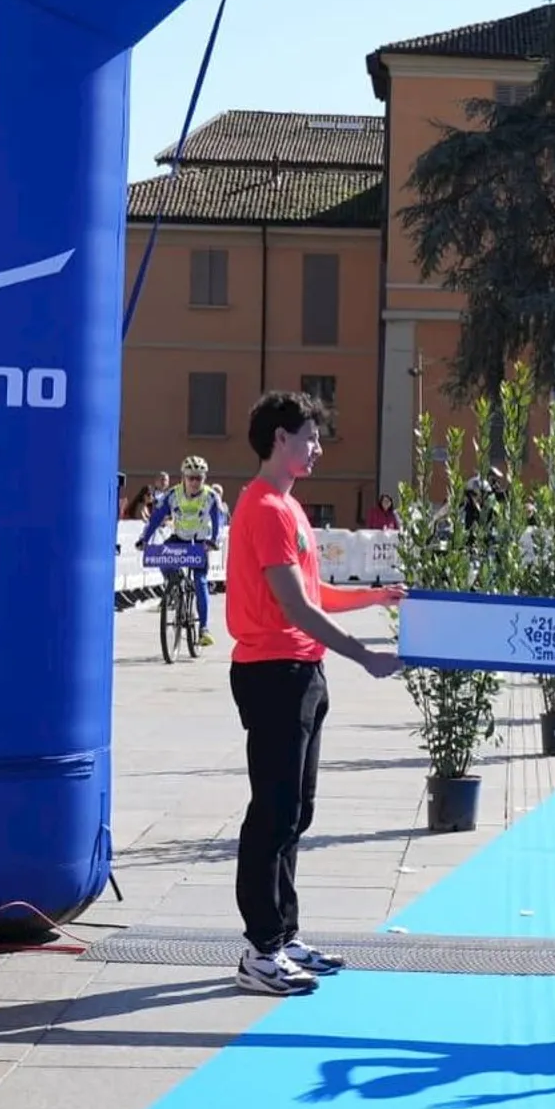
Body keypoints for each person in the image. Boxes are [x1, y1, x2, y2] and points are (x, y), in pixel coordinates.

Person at [226, 391, 406, 995]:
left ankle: (284, 935)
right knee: (272, 813)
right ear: (279, 438)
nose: (318, 447)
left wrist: (376, 597)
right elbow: (295, 606)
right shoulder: (266, 508)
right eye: (309, 435)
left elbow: (317, 590)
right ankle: (259, 950)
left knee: (296, 813)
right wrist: (364, 655)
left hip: (301, 673)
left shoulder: (290, 508)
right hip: (273, 672)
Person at [138, 456, 225, 647]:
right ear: (183, 477)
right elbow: (156, 518)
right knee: (163, 557)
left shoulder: (211, 497)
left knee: (200, 581)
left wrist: (214, 541)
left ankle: (203, 629)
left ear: (204, 478)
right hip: (180, 537)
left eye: (199, 478)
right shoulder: (172, 495)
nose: (195, 482)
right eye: (190, 477)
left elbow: (219, 521)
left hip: (201, 540)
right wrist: (144, 539)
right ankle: (175, 584)